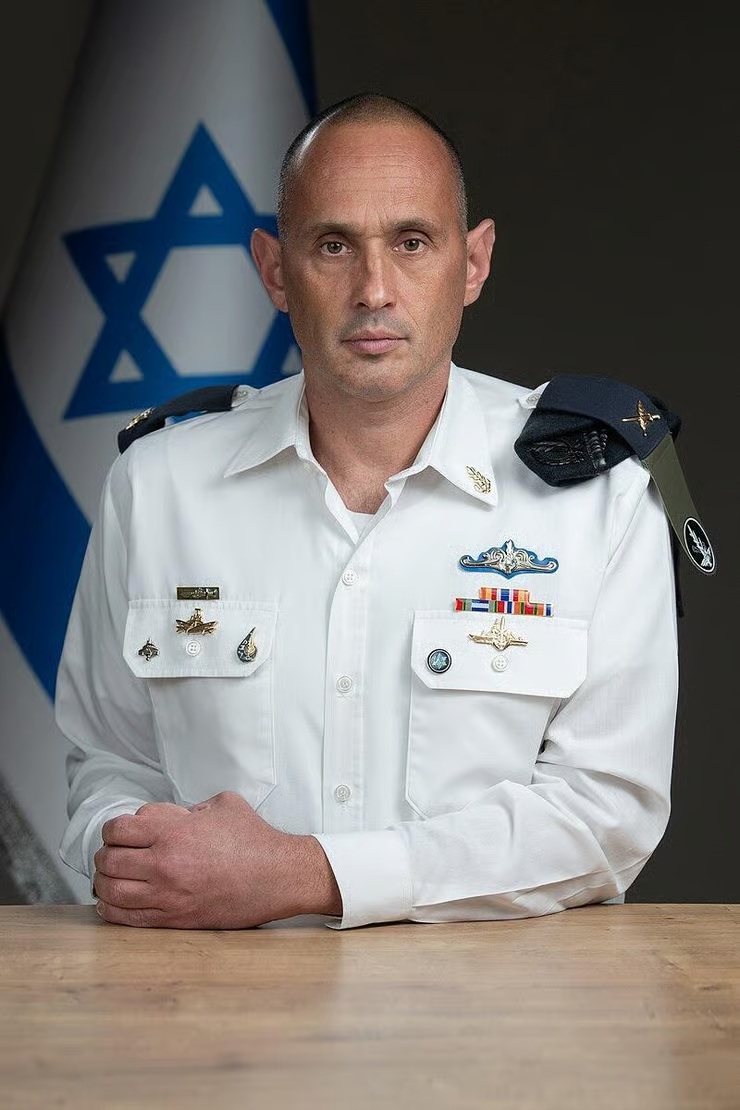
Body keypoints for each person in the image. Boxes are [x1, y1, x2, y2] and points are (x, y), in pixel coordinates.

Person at [55, 94, 678, 930]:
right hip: (215, 993)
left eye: (411, 242)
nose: (374, 289)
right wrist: (135, 849)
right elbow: (108, 760)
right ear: (275, 271)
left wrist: (308, 875)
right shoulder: (159, 485)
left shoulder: (597, 497)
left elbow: (607, 813)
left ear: (474, 262)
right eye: (334, 245)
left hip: (500, 999)